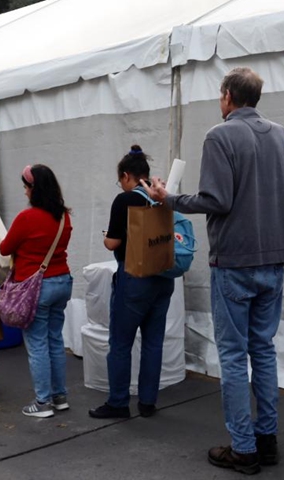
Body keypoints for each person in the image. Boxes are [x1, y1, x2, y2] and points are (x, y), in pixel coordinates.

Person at [143, 67, 284, 475]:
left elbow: (216, 199)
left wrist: (168, 198)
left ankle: (244, 448)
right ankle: (267, 440)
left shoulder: (220, 134)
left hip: (235, 260)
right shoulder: (280, 134)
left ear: (228, 96)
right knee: (263, 350)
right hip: (275, 256)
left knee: (233, 355)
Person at [88, 146, 175, 421]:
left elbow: (113, 242)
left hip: (135, 278)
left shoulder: (124, 200)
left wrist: (107, 236)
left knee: (121, 343)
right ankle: (148, 402)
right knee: (153, 342)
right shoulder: (163, 195)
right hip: (163, 276)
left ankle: (118, 402)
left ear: (127, 176)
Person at [0, 164, 73, 418]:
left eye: (26, 187)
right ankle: (59, 396)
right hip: (62, 281)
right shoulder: (64, 216)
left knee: (37, 345)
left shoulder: (26, 217)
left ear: (35, 189)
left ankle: (42, 403)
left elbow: (4, 248)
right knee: (55, 341)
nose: (24, 192)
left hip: (35, 287)